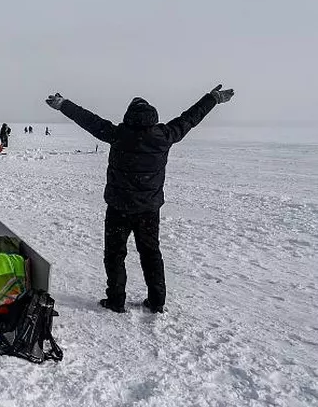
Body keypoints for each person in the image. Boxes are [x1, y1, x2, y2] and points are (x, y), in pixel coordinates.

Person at [46, 84, 235, 314]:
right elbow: (190, 118)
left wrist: (63, 104)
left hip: (118, 208)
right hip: (148, 210)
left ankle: (116, 300)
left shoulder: (118, 135)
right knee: (150, 253)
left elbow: (89, 120)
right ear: (153, 117)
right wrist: (212, 98)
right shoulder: (164, 135)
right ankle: (157, 302)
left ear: (128, 116)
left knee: (115, 255)